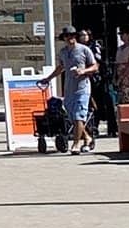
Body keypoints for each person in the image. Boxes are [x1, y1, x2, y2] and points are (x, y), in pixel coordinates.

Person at [37, 26, 98, 154]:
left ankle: (75, 144)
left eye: (72, 35)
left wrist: (83, 71)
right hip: (69, 89)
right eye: (67, 36)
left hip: (82, 88)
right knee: (72, 118)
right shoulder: (63, 52)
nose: (70, 38)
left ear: (75, 36)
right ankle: (87, 137)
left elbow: (95, 66)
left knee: (78, 116)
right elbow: (61, 67)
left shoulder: (84, 50)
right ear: (64, 38)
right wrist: (48, 79)